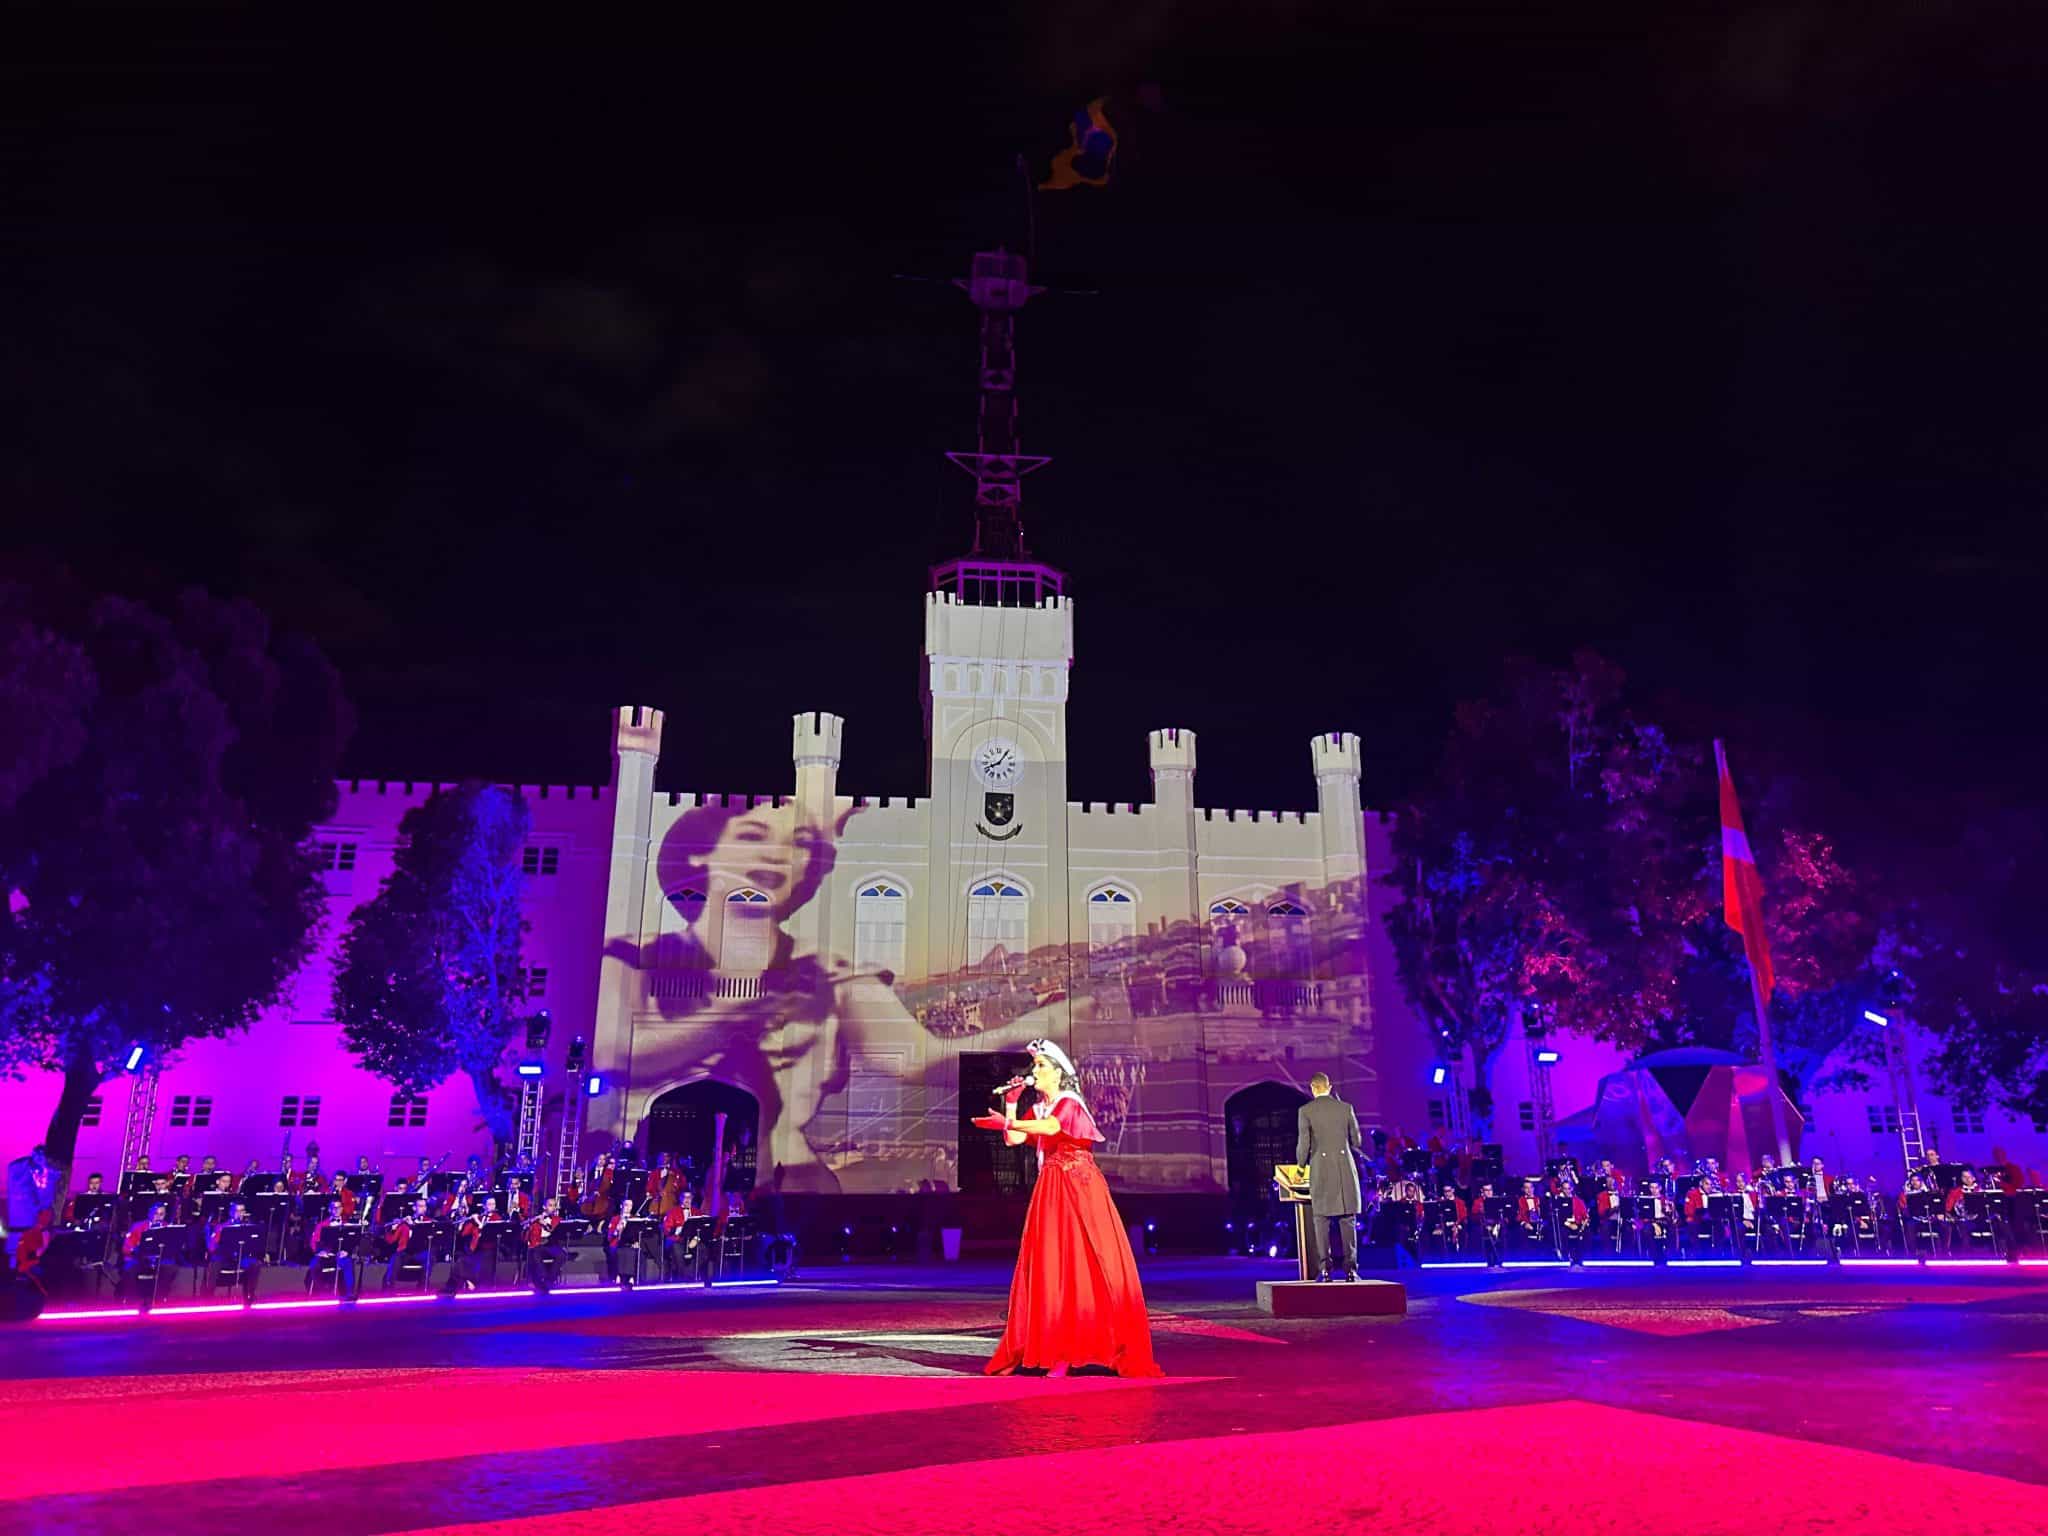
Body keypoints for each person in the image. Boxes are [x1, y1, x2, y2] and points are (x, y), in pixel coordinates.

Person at [982, 1039, 1159, 1378]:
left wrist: (1010, 1124)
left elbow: (1052, 1129)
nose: (1034, 1072)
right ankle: (1057, 1349)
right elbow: (1014, 1140)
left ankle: (1086, 1347)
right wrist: (1011, 1108)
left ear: (1059, 1073)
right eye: (1034, 1067)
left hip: (1078, 1188)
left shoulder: (1069, 1102)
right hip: (1051, 1187)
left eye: (1041, 1067)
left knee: (1084, 1262)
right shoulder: (1042, 1108)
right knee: (1053, 1265)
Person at [1295, 1072, 1363, 1282]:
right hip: (1344, 1168)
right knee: (1347, 1219)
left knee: (1321, 1219)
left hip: (1321, 1168)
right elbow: (1357, 1141)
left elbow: (1304, 1144)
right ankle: (1351, 1269)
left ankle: (1325, 1270)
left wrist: (1300, 1167)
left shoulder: (1305, 1110)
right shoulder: (1345, 1108)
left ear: (1312, 1088)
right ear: (1330, 1086)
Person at [5, 1145, 59, 1264]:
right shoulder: (19, 1168)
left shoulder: (49, 1173)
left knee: (32, 1251)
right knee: (16, 1250)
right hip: (21, 1218)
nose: (39, 1158)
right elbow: (14, 1171)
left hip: (36, 1221)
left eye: (42, 1156)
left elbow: (47, 1198)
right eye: (37, 1155)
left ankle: (27, 1268)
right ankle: (15, 1270)